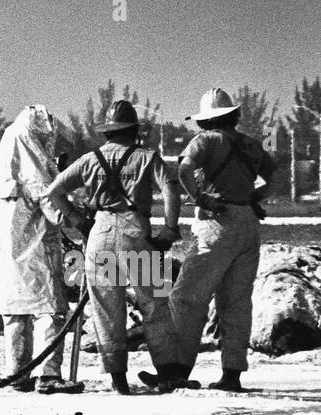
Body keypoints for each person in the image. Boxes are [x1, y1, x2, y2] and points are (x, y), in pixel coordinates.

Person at [44, 100, 183, 394]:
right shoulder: (147, 157)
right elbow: (171, 188)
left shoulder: (89, 159)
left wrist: (76, 219)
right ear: (134, 130)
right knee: (155, 303)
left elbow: (54, 191)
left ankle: (118, 379)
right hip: (137, 233)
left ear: (107, 132)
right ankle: (169, 372)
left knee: (107, 309)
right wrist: (169, 229)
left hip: (101, 233)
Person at [165, 88, 276, 391]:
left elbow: (184, 168)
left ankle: (177, 369)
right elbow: (272, 174)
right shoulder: (251, 144)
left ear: (206, 119)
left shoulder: (205, 140)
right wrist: (256, 195)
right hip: (248, 224)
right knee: (236, 302)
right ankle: (232, 374)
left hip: (218, 221)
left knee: (187, 297)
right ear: (233, 115)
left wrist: (199, 198)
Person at [0, 105, 83, 394]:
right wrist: (79, 220)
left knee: (15, 312)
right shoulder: (35, 164)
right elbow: (51, 200)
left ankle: (17, 373)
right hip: (37, 246)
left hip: (10, 250)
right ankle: (48, 374)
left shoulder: (1, 169)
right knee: (49, 309)